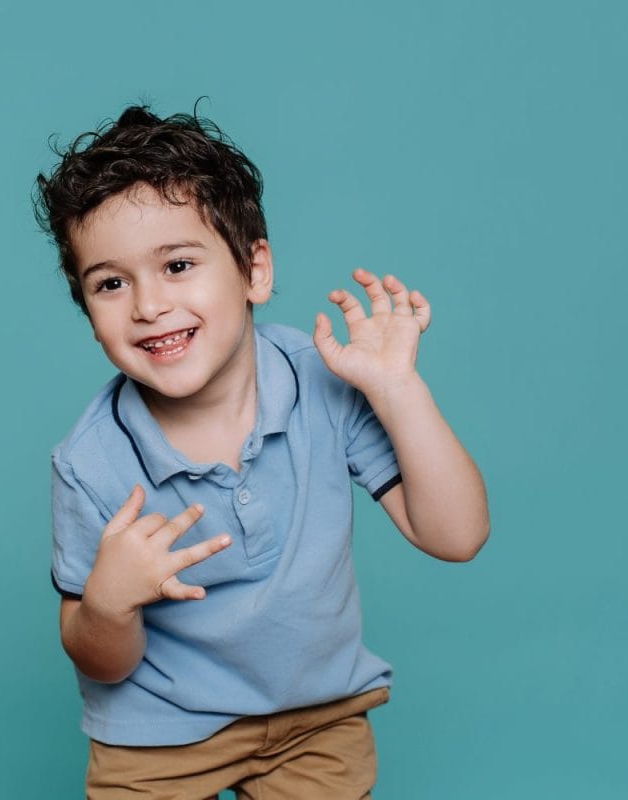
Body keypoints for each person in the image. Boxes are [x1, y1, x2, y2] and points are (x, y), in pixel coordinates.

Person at [33, 104, 490, 799]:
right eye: (111, 283)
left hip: (317, 720)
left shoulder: (324, 382)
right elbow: (104, 664)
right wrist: (109, 605)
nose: (148, 305)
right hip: (157, 735)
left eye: (178, 264)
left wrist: (399, 389)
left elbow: (457, 536)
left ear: (254, 269)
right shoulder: (92, 462)